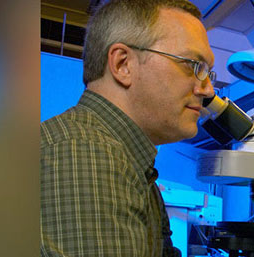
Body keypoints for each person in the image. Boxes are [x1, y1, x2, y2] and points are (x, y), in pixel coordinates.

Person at [40, 0, 216, 256]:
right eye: (192, 66)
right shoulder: (85, 154)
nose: (208, 90)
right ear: (123, 64)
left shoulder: (131, 165)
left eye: (208, 72)